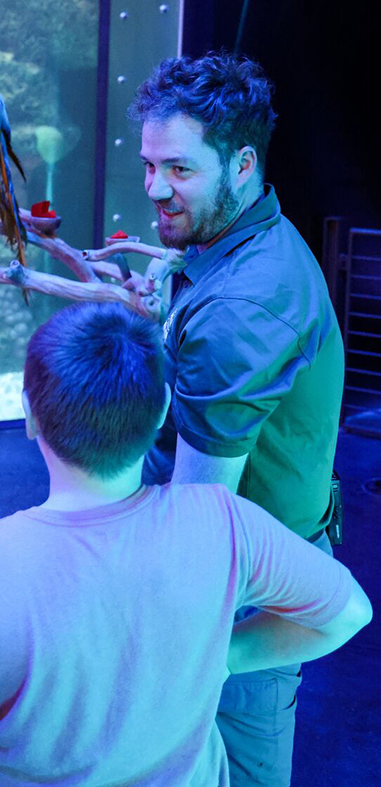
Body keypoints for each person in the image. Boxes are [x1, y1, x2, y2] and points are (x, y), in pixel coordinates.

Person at [0, 302, 370, 787]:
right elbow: (348, 613)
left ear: (29, 413)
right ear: (162, 409)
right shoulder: (225, 524)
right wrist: (226, 657)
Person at [129, 52, 346, 786]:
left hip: (239, 598)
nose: (156, 188)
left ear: (243, 163)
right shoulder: (243, 241)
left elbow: (199, 519)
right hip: (261, 555)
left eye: (180, 170)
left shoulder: (240, 307)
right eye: (151, 165)